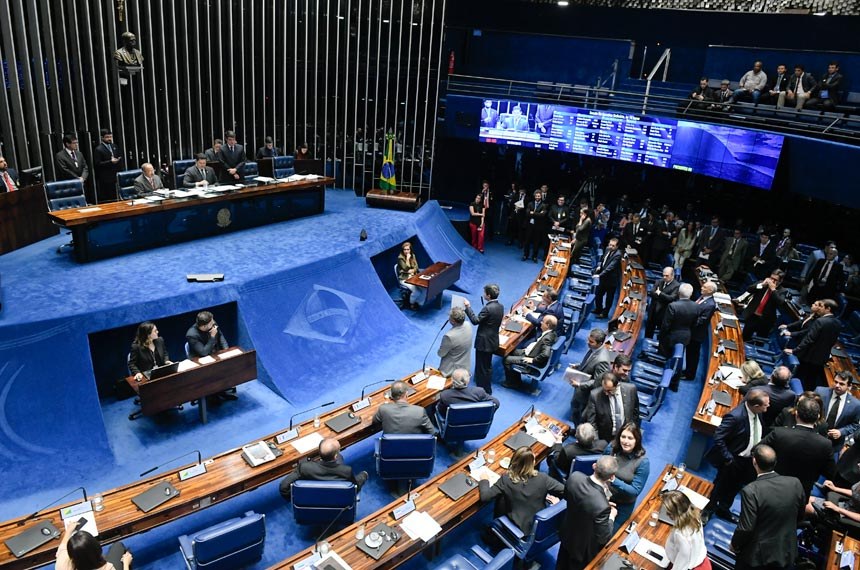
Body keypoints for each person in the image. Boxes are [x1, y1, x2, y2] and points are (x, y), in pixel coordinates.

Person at [730, 444, 805, 570]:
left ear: (754, 461)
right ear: (775, 462)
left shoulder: (751, 490)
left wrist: (734, 544)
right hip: (787, 549)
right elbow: (800, 515)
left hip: (757, 558)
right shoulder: (795, 482)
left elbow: (746, 528)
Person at [704, 389, 770, 522]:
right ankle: (708, 510)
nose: (768, 406)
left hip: (749, 459)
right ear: (756, 406)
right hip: (734, 459)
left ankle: (723, 509)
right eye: (766, 405)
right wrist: (728, 457)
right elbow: (718, 437)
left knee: (735, 487)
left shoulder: (758, 413)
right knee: (720, 485)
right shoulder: (736, 416)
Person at [760, 397, 835, 499]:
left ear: (796, 414)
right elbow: (830, 472)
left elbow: (757, 451)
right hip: (801, 492)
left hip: (772, 484)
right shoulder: (825, 444)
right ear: (818, 416)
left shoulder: (779, 433)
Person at [477, 446, 564, 533]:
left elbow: (485, 497)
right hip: (538, 524)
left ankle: (495, 532)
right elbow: (566, 489)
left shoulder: (506, 480)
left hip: (519, 529)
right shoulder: (543, 478)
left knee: (502, 498)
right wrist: (556, 506)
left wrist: (484, 480)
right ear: (532, 463)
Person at [556, 455, 618, 570]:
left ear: (594, 466)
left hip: (566, 534)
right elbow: (603, 538)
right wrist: (611, 517)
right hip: (582, 549)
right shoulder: (603, 507)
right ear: (611, 477)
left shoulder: (575, 477)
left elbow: (569, 497)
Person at [279, 437, 368, 500]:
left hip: (310, 501)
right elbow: (354, 488)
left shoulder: (305, 467)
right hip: (336, 502)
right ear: (335, 456)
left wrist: (298, 496)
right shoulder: (346, 471)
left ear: (319, 452)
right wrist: (363, 476)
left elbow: (284, 488)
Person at [785, 298, 841, 390]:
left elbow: (809, 339)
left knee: (798, 378)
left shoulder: (820, 321)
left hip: (808, 357)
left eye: (822, 306)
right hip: (822, 358)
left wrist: (795, 350)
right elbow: (832, 342)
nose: (819, 308)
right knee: (811, 381)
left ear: (828, 309)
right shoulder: (838, 323)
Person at [604, 422, 650, 530]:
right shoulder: (611, 448)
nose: (625, 441)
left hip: (622, 504)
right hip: (604, 496)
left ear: (637, 440)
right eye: (623, 436)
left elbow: (635, 491)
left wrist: (614, 480)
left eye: (630, 438)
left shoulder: (643, 462)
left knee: (608, 538)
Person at [567, 328, 613, 423]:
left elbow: (599, 381)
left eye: (591, 342)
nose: (588, 342)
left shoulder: (602, 360)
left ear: (600, 343)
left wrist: (580, 384)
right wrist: (578, 365)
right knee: (574, 407)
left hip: (586, 394)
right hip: (580, 390)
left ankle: (578, 432)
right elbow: (589, 363)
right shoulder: (594, 349)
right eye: (588, 339)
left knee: (581, 414)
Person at [464, 284, 504, 394]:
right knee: (487, 365)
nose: (483, 294)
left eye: (484, 293)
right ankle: (484, 385)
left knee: (482, 366)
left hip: (484, 342)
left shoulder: (488, 308)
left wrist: (468, 307)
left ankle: (484, 390)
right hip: (493, 340)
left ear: (488, 295)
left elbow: (475, 321)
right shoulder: (500, 306)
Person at [502, 316, 558, 390]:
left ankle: (512, 383)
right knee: (511, 351)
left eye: (543, 322)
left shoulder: (547, 338)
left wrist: (532, 360)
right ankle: (516, 379)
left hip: (531, 358)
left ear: (547, 325)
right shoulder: (552, 333)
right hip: (530, 352)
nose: (541, 322)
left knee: (506, 360)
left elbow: (545, 354)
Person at [583, 372, 640, 442]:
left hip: (626, 434)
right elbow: (592, 422)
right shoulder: (595, 396)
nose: (606, 393)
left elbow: (635, 412)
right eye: (604, 390)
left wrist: (634, 431)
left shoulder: (631, 389)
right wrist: (597, 441)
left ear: (617, 386)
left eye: (609, 391)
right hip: (606, 437)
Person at [661, 490, 711, 570]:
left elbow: (681, 566)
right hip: (698, 560)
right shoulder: (695, 516)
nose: (667, 514)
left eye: (670, 513)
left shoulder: (682, 536)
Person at [56, 519, 132, 570]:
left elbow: (62, 548)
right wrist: (126, 564)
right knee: (117, 546)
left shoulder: (62, 563)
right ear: (97, 548)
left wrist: (69, 531)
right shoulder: (107, 568)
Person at [815, 371, 860, 450]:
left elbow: (855, 425)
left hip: (833, 444)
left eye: (841, 384)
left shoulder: (856, 405)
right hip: (814, 435)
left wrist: (841, 432)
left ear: (849, 386)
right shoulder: (820, 392)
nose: (837, 385)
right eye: (836, 382)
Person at [741, 269, 787, 341]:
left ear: (780, 281)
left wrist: (773, 289)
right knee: (744, 338)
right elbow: (749, 289)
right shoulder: (762, 284)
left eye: (775, 280)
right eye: (771, 278)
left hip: (766, 321)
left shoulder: (782, 291)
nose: (772, 281)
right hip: (753, 316)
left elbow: (780, 302)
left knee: (760, 341)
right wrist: (761, 285)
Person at [684, 281, 717, 381]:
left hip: (696, 334)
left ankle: (690, 375)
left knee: (693, 355)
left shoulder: (710, 304)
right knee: (689, 353)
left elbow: (702, 320)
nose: (702, 288)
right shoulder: (702, 298)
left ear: (710, 290)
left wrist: (688, 320)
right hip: (692, 331)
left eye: (705, 287)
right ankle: (687, 371)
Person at [659, 283, 698, 358]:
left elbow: (666, 325)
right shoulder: (696, 306)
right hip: (686, 336)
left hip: (670, 337)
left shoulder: (673, 306)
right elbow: (695, 323)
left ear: (679, 293)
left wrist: (661, 336)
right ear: (691, 294)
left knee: (666, 356)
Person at [645, 267, 681, 339]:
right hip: (653, 309)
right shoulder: (659, 281)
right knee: (649, 328)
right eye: (663, 275)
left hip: (664, 312)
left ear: (672, 275)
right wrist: (662, 296)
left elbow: (671, 298)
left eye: (667, 276)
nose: (664, 277)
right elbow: (652, 293)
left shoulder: (676, 285)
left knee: (661, 332)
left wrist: (659, 293)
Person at [437, 307, 473, 378]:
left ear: (453, 321)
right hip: (465, 366)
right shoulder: (468, 325)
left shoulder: (449, 336)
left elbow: (441, 353)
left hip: (451, 371)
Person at [591, 237, 622, 319]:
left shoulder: (618, 255)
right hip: (604, 278)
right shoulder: (607, 249)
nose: (610, 247)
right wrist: (599, 266)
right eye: (610, 244)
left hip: (611, 281)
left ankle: (605, 313)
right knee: (598, 295)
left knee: (609, 299)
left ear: (617, 246)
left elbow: (610, 267)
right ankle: (598, 309)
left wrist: (599, 275)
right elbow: (603, 260)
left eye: (613, 246)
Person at [92, 129, 123, 202]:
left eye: (110, 137)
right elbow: (97, 164)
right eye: (107, 137)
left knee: (118, 196)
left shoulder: (114, 146)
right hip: (105, 178)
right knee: (109, 197)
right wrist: (110, 162)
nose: (109, 139)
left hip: (116, 175)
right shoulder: (98, 149)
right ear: (102, 138)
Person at [396, 241, 426, 310]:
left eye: (408, 249)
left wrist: (412, 270)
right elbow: (406, 268)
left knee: (424, 289)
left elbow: (416, 267)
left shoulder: (413, 255)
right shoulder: (400, 258)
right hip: (404, 278)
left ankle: (419, 303)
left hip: (413, 277)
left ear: (410, 249)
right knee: (416, 291)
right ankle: (412, 304)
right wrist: (407, 259)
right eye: (405, 249)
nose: (406, 251)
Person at [522, 189, 548, 262]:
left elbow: (542, 215)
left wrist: (533, 213)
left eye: (539, 196)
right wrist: (537, 213)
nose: (537, 197)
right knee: (527, 241)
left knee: (536, 242)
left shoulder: (544, 205)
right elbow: (527, 213)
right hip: (529, 225)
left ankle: (534, 256)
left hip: (538, 226)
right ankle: (525, 255)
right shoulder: (530, 203)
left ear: (541, 197)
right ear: (534, 196)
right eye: (536, 196)